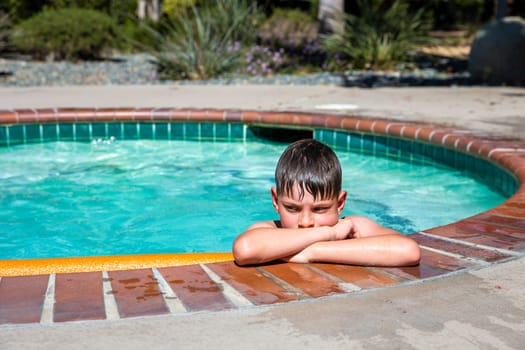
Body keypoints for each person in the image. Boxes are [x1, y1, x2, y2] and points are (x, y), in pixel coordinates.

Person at [233, 138, 421, 267]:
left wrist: (312, 252)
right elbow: (245, 249)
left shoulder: (352, 226)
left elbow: (408, 250)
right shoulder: (269, 230)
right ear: (276, 201)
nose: (305, 222)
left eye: (320, 209)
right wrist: (327, 233)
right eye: (292, 208)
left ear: (340, 203)